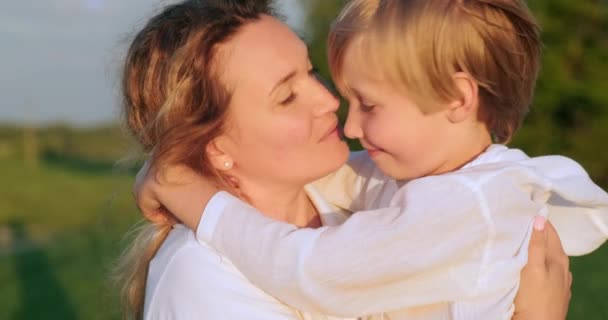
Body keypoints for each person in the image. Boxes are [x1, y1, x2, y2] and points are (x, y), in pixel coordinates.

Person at [133, 0, 608, 319]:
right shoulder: (202, 279)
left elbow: (310, 266)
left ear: (458, 99)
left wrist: (185, 186)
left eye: (311, 72)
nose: (329, 104)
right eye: (286, 96)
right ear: (216, 146)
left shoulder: (454, 200)